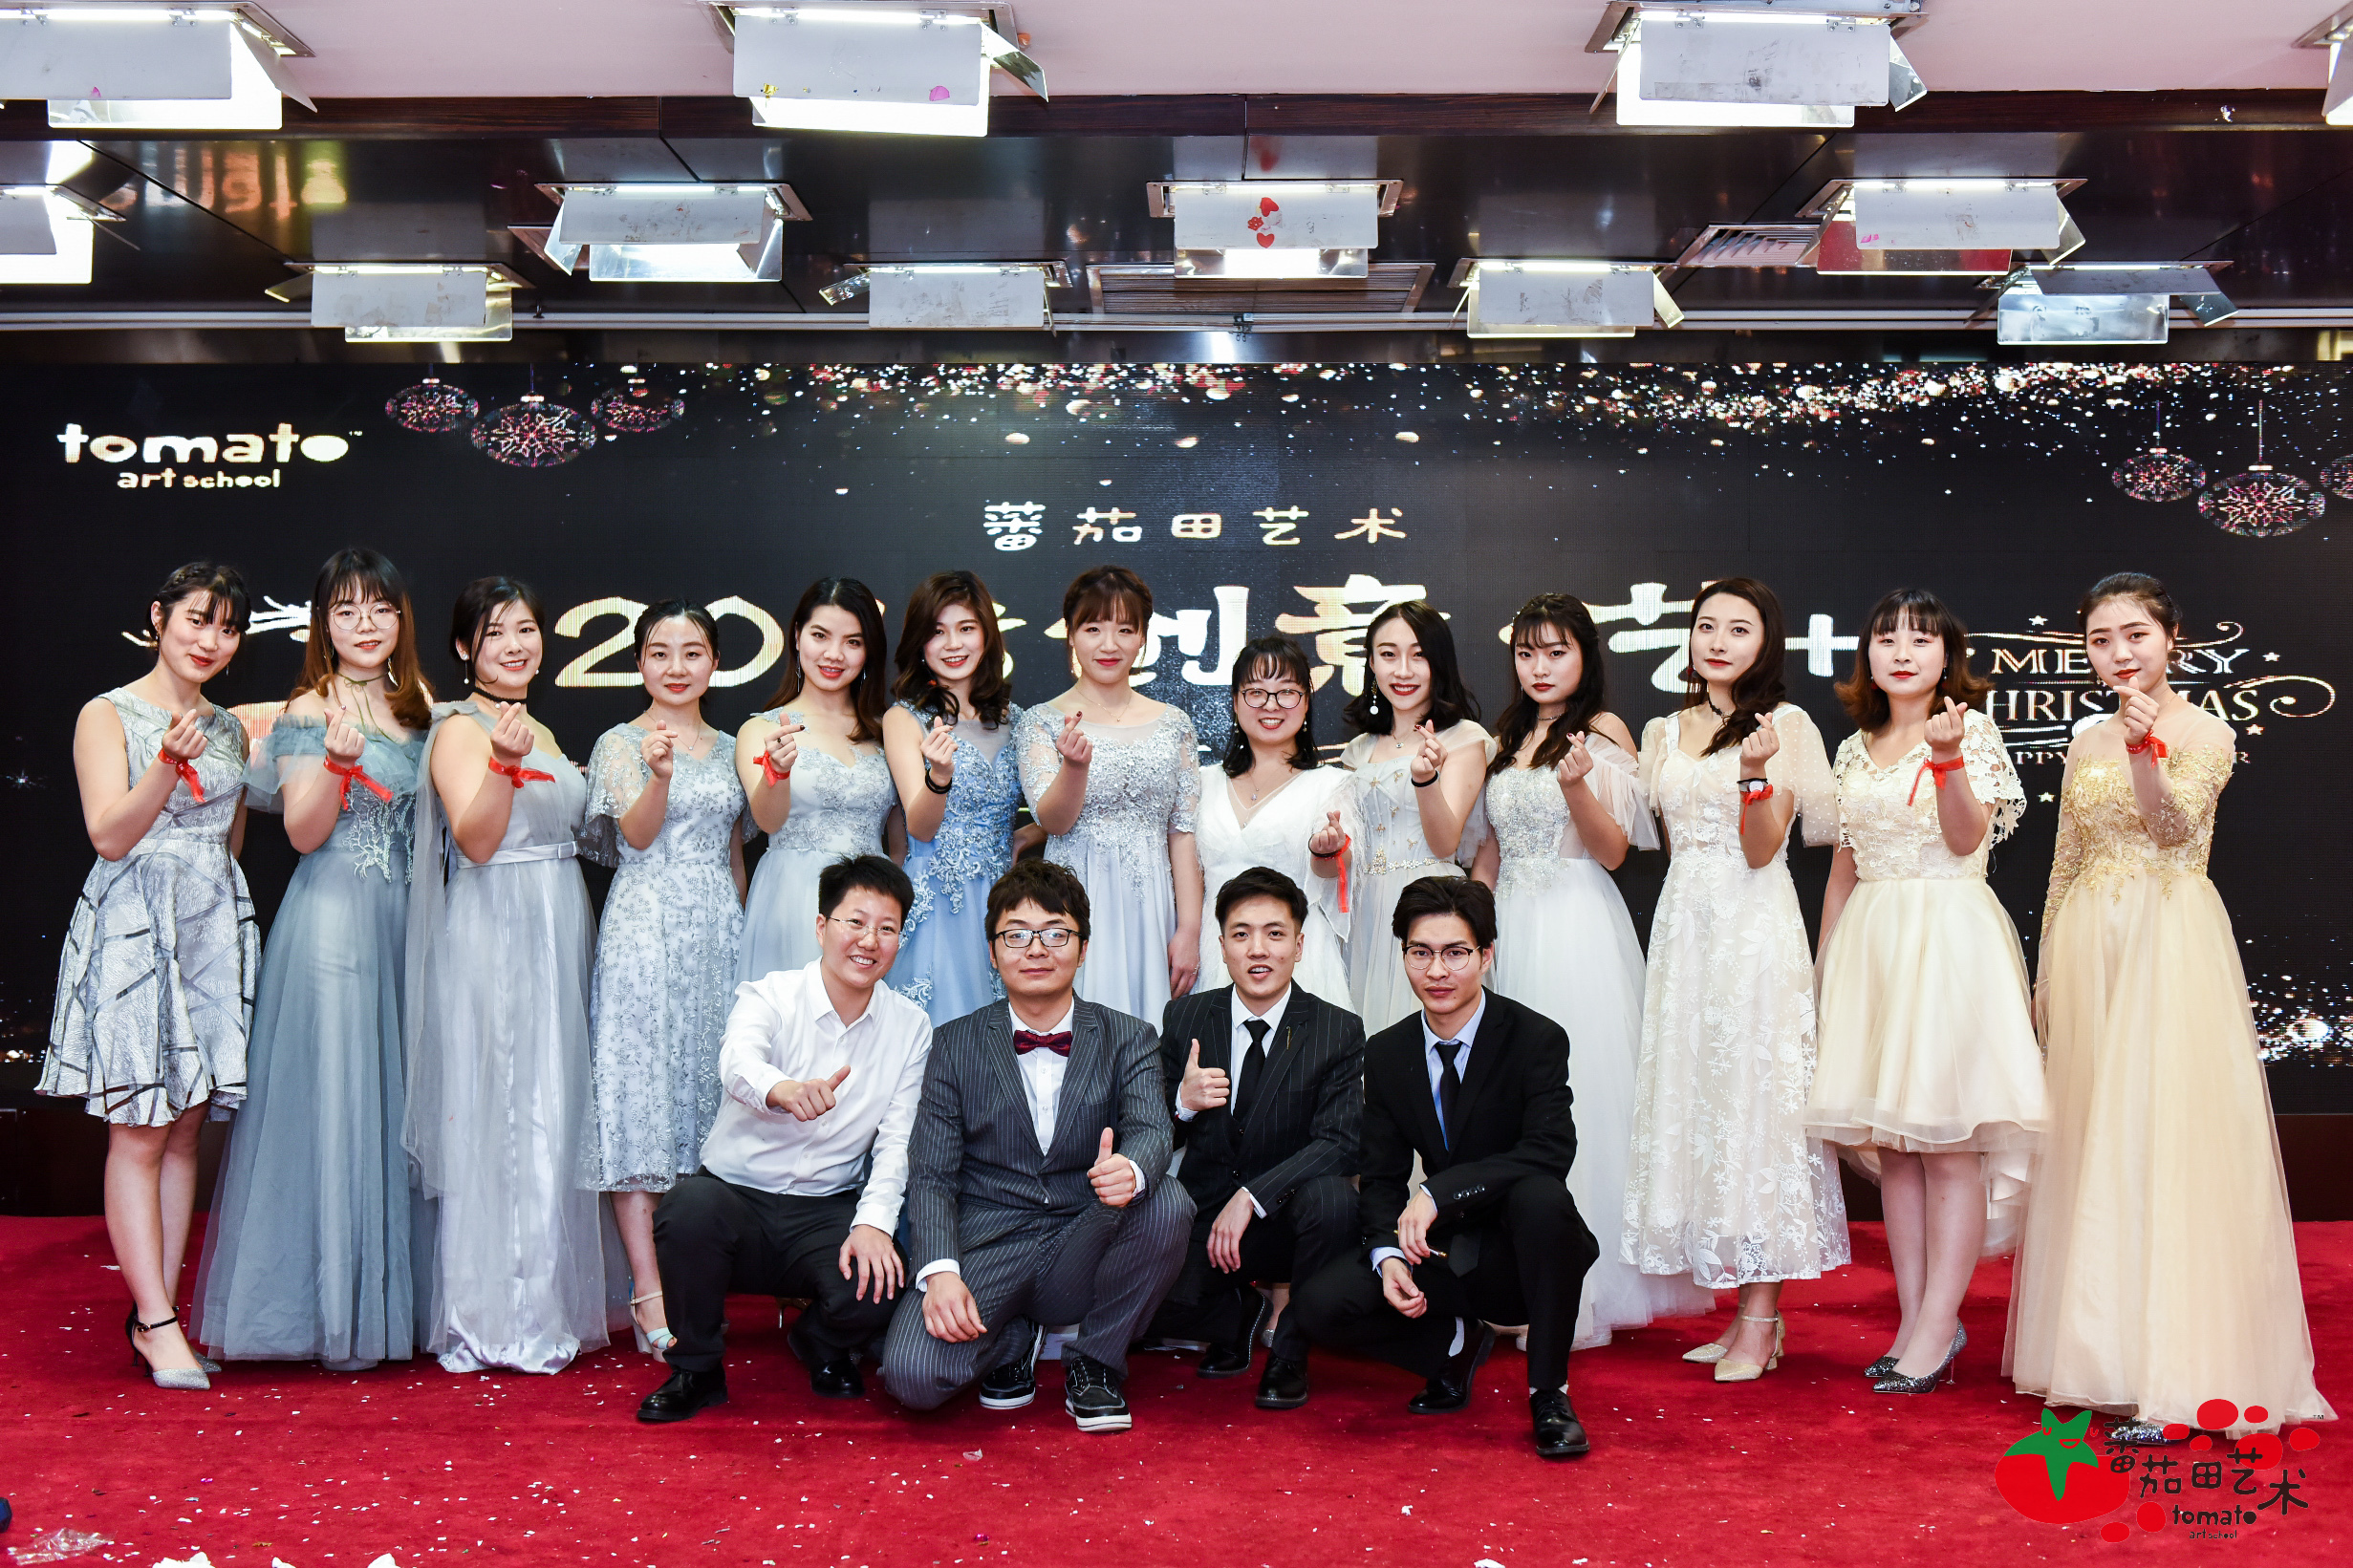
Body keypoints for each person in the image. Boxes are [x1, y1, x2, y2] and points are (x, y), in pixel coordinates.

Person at [2006, 573, 2334, 1441]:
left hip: (2168, 939)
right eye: (2101, 639)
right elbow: (2068, 857)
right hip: (2090, 948)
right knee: (2096, 1142)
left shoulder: (2206, 731)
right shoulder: (2084, 737)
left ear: (2171, 638)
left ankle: (2179, 1375)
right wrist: (2045, 967)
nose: (2119, 652)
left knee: (2166, 1140)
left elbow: (2176, 830)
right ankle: (2105, 1359)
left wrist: (2146, 750)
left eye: (2135, 634)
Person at [194, 548, 433, 1373]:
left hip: (405, 927)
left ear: (401, 619)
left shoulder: (420, 706)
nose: (366, 624)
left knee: (395, 1108)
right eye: (347, 610)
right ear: (323, 624)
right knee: (337, 1104)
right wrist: (335, 763)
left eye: (381, 608)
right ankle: (333, 1314)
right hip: (333, 922)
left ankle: (399, 1307)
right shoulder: (309, 706)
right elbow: (301, 831)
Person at [1806, 589, 2043, 1394]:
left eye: (1921, 638)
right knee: (1896, 1150)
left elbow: (1967, 836)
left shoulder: (1972, 731)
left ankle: (1939, 1325)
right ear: (1867, 657)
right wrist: (1826, 967)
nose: (1902, 651)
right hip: (1871, 946)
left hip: (1946, 942)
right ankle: (1914, 1320)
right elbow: (1842, 872)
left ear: (1948, 656)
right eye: (1887, 638)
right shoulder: (1852, 748)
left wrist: (1945, 759)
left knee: (1946, 1145)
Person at [1473, 593, 1716, 1348]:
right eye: (1527, 653)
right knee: (1502, 1104)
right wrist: (1471, 930)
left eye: (1557, 652)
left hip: (1574, 923)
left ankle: (1582, 1288)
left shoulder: (1603, 730)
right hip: (1507, 929)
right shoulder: (1507, 735)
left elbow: (1615, 850)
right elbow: (1489, 851)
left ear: (1585, 655)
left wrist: (1577, 783)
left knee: (1578, 1099)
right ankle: (1509, 1279)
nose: (1540, 667)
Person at [1624, 576, 1848, 1383]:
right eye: (1706, 626)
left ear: (1766, 642)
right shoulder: (1661, 728)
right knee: (1702, 1106)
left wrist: (1754, 775)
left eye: (1739, 628)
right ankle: (1739, 1312)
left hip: (1754, 930)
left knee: (1757, 1109)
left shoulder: (1785, 725)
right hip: (1685, 929)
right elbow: (1655, 837)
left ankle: (1761, 1315)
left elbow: (1761, 849)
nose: (1718, 641)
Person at [1287, 876, 1597, 1459]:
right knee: (1319, 1306)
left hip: (1522, 1251)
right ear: (1403, 955)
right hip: (1443, 1251)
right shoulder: (1387, 1052)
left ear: (1486, 955)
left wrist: (1438, 1193)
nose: (1437, 971)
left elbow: (1551, 1149)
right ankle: (1451, 1345)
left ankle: (1549, 1392)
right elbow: (1381, 1175)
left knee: (1542, 1198)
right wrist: (1386, 1257)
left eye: (1456, 953)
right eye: (1420, 953)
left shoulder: (1535, 1038)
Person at [880, 859, 1193, 1433]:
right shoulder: (952, 1044)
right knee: (914, 1377)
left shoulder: (1129, 1036)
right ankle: (1013, 1338)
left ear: (1083, 947)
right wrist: (939, 1272)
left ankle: (1096, 1362)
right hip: (990, 1241)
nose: (1036, 950)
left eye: (1055, 933)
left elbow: (1152, 1128)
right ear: (992, 953)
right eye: (1017, 935)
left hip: (1085, 1231)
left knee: (1168, 1199)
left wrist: (1130, 1169)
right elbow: (931, 1175)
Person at [45, 562, 257, 1392]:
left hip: (210, 927)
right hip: (135, 924)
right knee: (139, 1124)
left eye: (228, 628)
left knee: (187, 1125)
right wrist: (165, 764)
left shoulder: (229, 727)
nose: (211, 640)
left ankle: (155, 1313)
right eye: (198, 619)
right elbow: (109, 834)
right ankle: (160, 1321)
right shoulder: (107, 713)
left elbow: (229, 838)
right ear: (159, 617)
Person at [404, 576, 615, 1375]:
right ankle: (495, 1317)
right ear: (465, 648)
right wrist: (501, 764)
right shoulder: (461, 730)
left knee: (548, 1111)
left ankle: (543, 1301)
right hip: (497, 926)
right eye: (495, 633)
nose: (515, 646)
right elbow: (478, 840)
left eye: (525, 629)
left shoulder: (542, 727)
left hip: (555, 920)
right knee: (503, 1115)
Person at [637, 854, 932, 1424]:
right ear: (822, 927)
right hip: (735, 1196)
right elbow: (737, 1061)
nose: (869, 940)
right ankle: (696, 1369)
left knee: (885, 1276)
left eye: (887, 928)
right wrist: (782, 1090)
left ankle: (818, 1340)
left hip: (824, 1208)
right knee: (687, 1212)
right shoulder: (771, 994)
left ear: (900, 939)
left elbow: (897, 1140)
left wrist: (873, 1225)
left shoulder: (910, 1026)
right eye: (854, 922)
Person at [579, 601, 752, 1360]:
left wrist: (742, 938)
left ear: (715, 662)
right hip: (644, 932)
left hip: (717, 933)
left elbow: (737, 853)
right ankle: (648, 1293)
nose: (676, 667)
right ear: (639, 662)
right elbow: (638, 834)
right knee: (640, 1103)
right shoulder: (620, 742)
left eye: (692, 652)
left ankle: (699, 1286)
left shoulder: (734, 747)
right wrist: (657, 775)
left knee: (708, 1101)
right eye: (659, 652)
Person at [1146, 866, 1365, 1409]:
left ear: (1299, 945)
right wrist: (1182, 1103)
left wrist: (1253, 1196)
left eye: (1275, 933)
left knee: (1336, 1200)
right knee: (1139, 1307)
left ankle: (1291, 1350)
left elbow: (1340, 1142)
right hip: (1204, 1215)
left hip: (1288, 1217)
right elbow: (1148, 1135)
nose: (1258, 949)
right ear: (1222, 947)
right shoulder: (1185, 1017)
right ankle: (1236, 1314)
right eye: (1241, 934)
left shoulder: (1337, 1029)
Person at [1013, 566, 1203, 1020]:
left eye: (1125, 629)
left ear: (1143, 638)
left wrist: (1189, 930)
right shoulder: (1042, 720)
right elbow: (1054, 821)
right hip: (1074, 899)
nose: (1109, 644)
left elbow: (1182, 835)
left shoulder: (1174, 723)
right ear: (1071, 635)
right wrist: (1075, 767)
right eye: (1093, 628)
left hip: (1152, 905)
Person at [882, 570, 1038, 1021]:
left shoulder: (1017, 720)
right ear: (920, 644)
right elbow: (919, 826)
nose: (953, 644)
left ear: (987, 635)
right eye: (937, 632)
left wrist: (1025, 836)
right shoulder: (905, 719)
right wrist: (940, 775)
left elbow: (1057, 806)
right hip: (937, 898)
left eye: (966, 628)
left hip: (1004, 901)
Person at [1336, 600, 1491, 1033]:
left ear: (1439, 662)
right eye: (1388, 655)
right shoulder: (1358, 750)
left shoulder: (1464, 739)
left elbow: (1444, 842)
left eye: (1418, 655)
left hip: (1433, 908)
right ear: (1371, 663)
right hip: (1364, 912)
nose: (1402, 670)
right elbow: (1346, 851)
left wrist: (1425, 780)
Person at [736, 578, 898, 984]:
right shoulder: (762, 730)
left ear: (869, 650)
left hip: (874, 906)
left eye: (852, 642)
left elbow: (901, 843)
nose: (834, 654)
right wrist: (778, 773)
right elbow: (768, 821)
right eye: (820, 636)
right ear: (796, 636)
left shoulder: (887, 731)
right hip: (794, 900)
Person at [1192, 636, 1355, 1003]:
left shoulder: (1330, 784)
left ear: (1306, 702)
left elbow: (1335, 871)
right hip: (1215, 950)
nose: (1271, 705)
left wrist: (1327, 851)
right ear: (1235, 701)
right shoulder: (1202, 783)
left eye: (1286, 693)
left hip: (1298, 958)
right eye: (1256, 692)